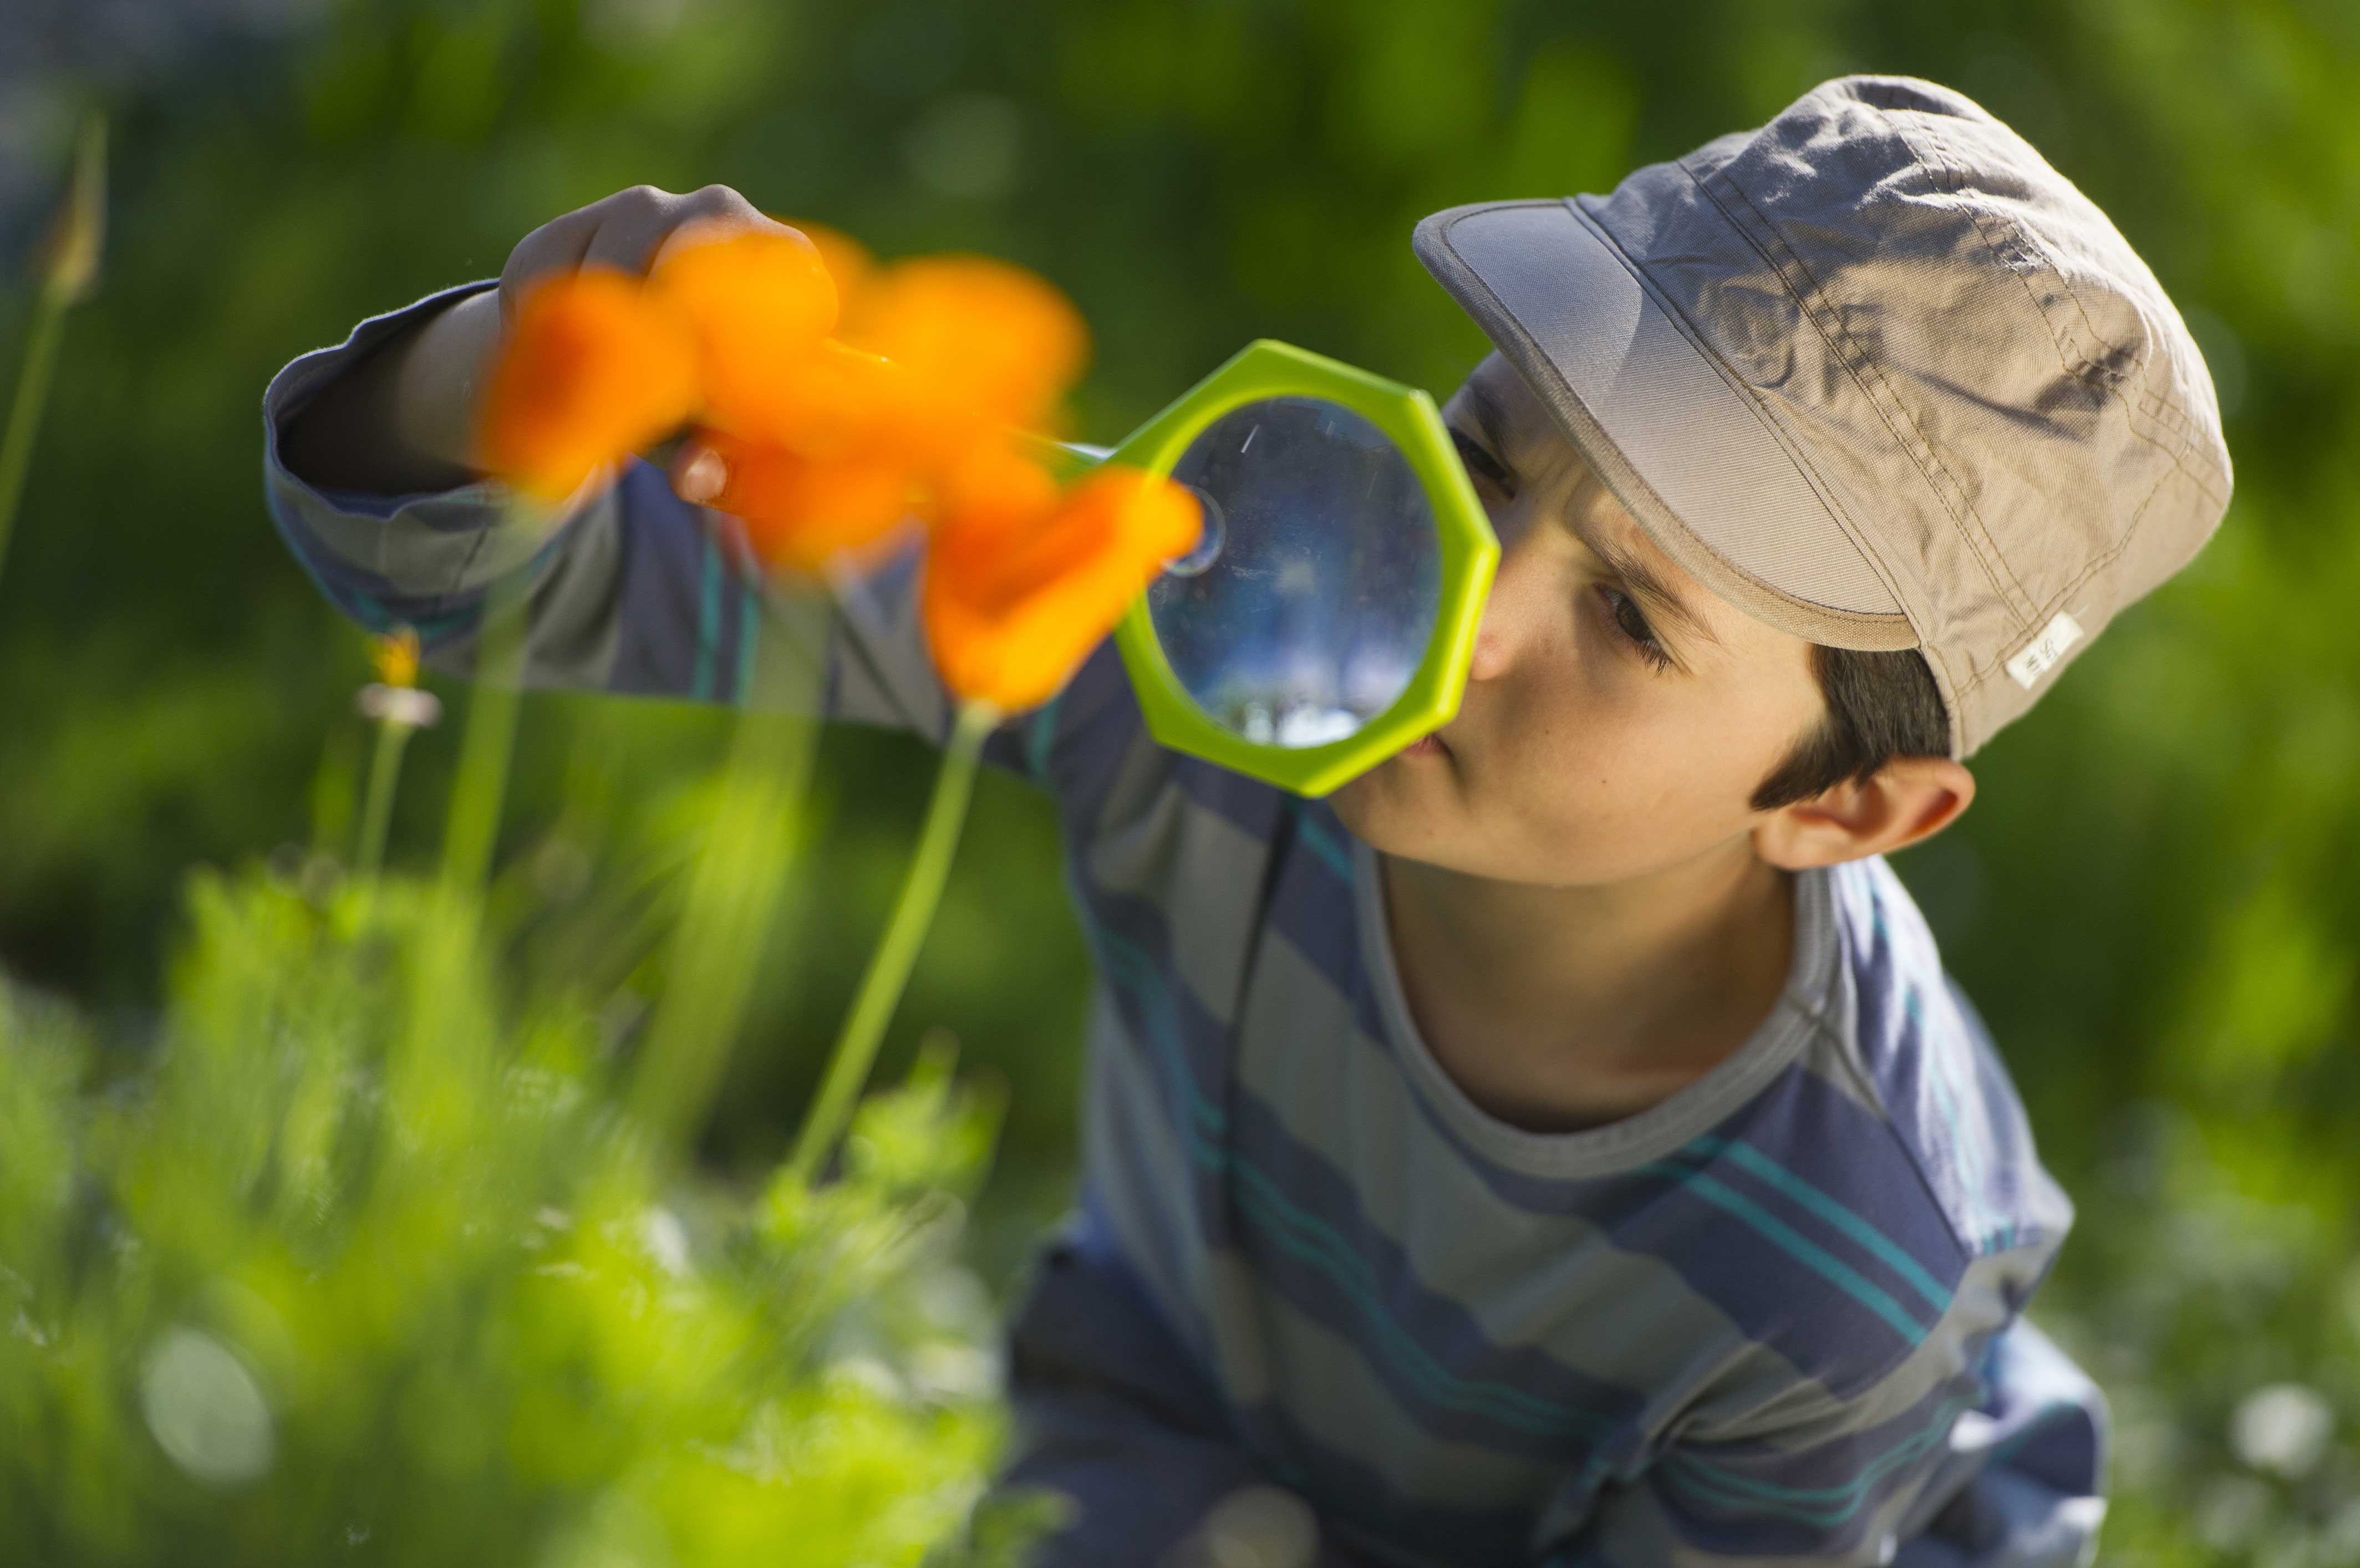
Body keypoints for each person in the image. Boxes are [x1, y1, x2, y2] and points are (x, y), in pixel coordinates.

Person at [263, 75, 2229, 1567]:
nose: (1458, 607)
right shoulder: (1211, 620)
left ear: (1857, 804)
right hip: (1174, 1441)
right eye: (1480, 454)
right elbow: (446, 565)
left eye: (1631, 613)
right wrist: (535, 367)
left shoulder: (1847, 1264)